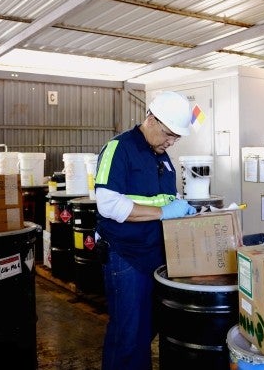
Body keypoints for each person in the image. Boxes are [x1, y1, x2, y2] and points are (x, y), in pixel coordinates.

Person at [94, 90, 197, 370]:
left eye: (177, 137)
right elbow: (108, 204)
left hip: (156, 256)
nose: (172, 141)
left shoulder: (162, 157)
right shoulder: (120, 148)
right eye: (168, 134)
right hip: (126, 257)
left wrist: (181, 207)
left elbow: (164, 197)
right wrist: (163, 212)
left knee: (148, 328)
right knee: (128, 334)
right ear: (150, 119)